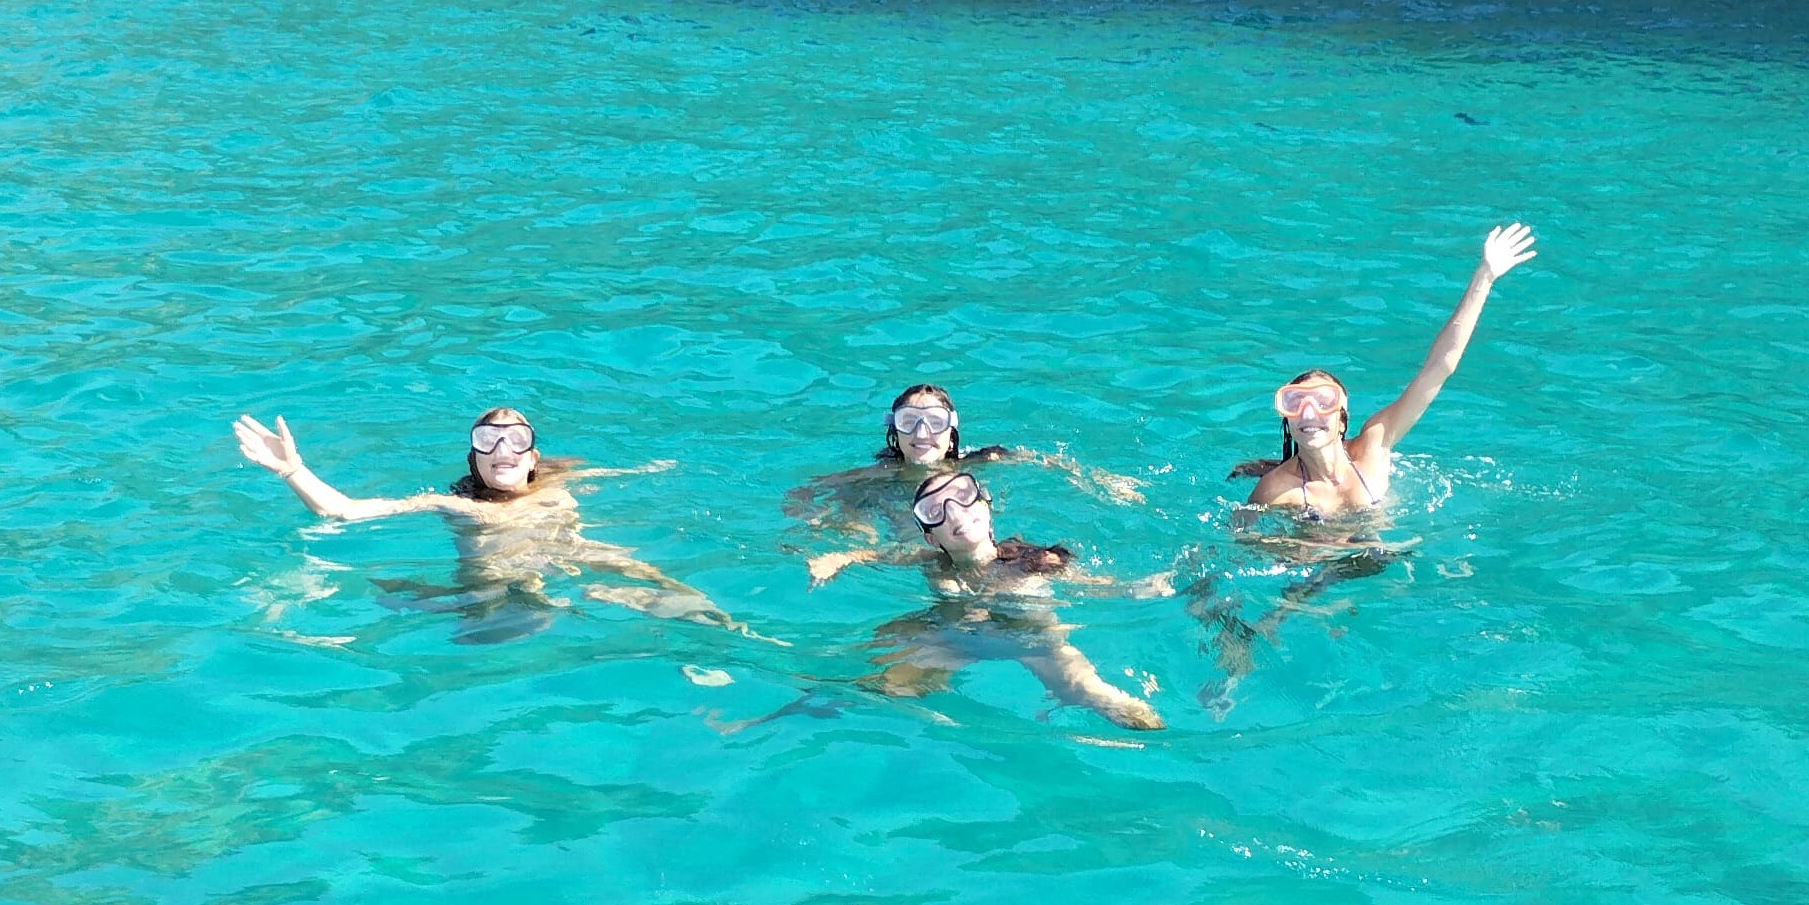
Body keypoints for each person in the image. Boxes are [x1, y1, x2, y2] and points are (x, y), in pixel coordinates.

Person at [231, 403, 734, 626]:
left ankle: (725, 634)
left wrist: (660, 467)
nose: (502, 448)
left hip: (571, 555)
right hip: (500, 587)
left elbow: (628, 472)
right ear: (474, 461)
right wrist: (293, 470)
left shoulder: (559, 485)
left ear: (533, 458)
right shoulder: (458, 505)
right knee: (529, 603)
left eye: (516, 439)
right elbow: (343, 512)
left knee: (651, 577)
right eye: (488, 440)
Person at [812, 463, 1170, 733]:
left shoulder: (1033, 560)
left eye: (963, 497)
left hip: (1035, 646)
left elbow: (1088, 582)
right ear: (932, 538)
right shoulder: (930, 560)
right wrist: (836, 558)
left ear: (987, 507)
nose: (954, 512)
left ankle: (1166, 745)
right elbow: (870, 554)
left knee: (1097, 697)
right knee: (879, 687)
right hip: (956, 642)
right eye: (936, 511)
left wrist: (1133, 588)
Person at [1231, 224, 1537, 521]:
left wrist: (1485, 276)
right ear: (1287, 421)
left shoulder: (1374, 446)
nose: (1308, 413)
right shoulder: (1275, 490)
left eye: (1324, 400)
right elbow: (1243, 540)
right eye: (1295, 402)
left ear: (1342, 419)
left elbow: (1440, 367)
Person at [788, 381, 1142, 533]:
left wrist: (1100, 479)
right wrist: (816, 518)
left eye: (935, 422)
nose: (922, 434)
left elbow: (1043, 460)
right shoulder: (879, 474)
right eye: (909, 422)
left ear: (951, 433)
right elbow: (804, 492)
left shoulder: (977, 461)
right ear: (895, 433)